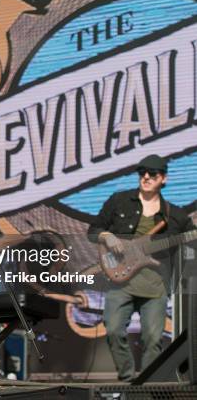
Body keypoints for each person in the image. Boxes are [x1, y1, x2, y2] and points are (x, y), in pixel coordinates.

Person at [88, 154, 195, 381]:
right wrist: (107, 237)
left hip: (155, 285)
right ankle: (128, 380)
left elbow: (191, 241)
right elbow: (93, 231)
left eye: (152, 174)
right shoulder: (119, 201)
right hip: (121, 282)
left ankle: (146, 388)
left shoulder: (174, 215)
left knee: (153, 340)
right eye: (142, 172)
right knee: (114, 328)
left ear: (163, 179)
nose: (146, 177)